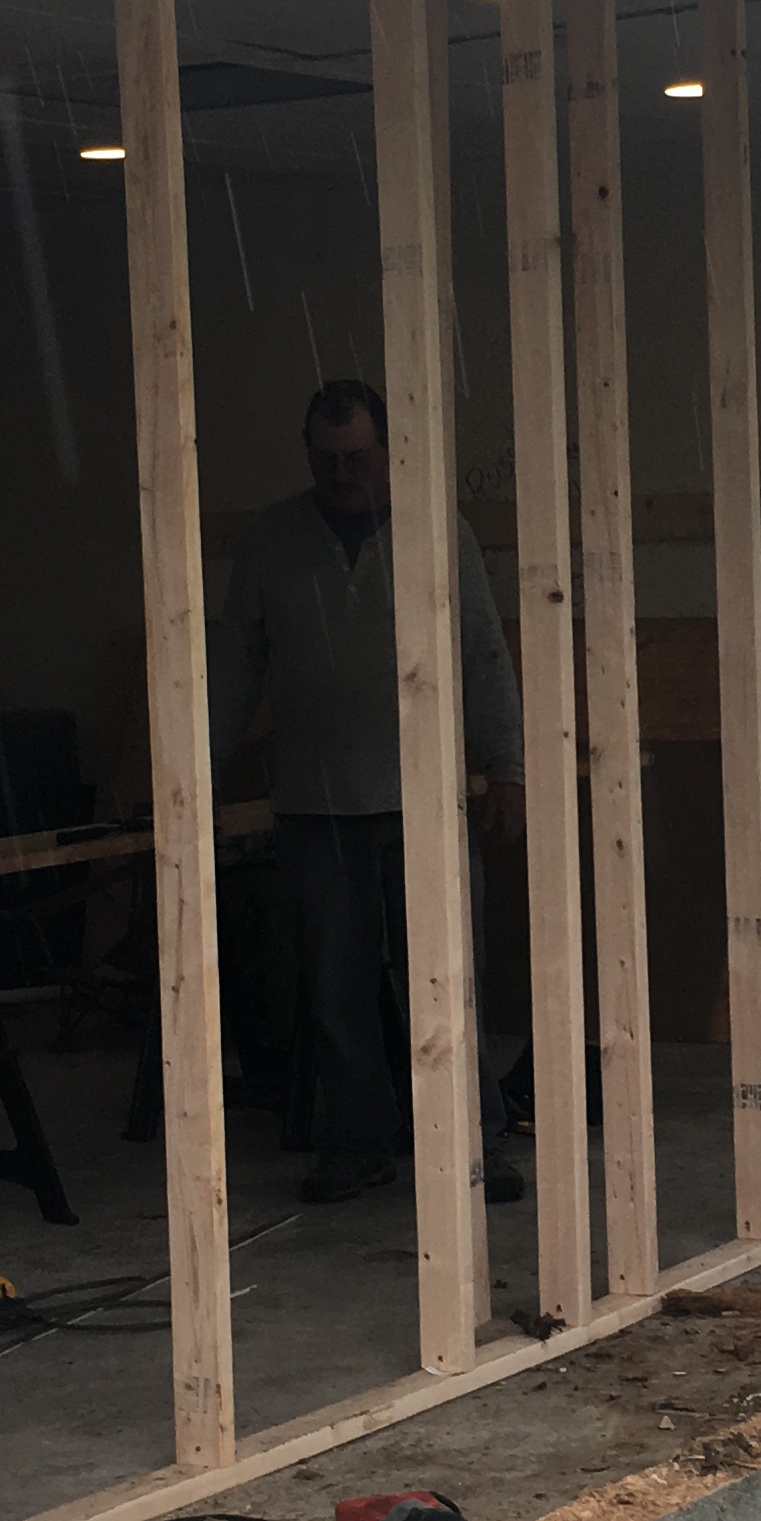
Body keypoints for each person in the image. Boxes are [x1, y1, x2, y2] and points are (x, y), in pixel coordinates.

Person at [209, 378, 526, 1202]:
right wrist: (193, 778)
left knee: (447, 979)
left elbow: (482, 653)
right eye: (327, 460)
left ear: (388, 451)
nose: (342, 474)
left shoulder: (437, 533)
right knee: (335, 987)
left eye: (356, 458)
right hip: (316, 804)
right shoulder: (272, 541)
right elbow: (234, 666)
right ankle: (357, 1140)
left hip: (426, 799)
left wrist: (508, 766)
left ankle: (471, 1138)